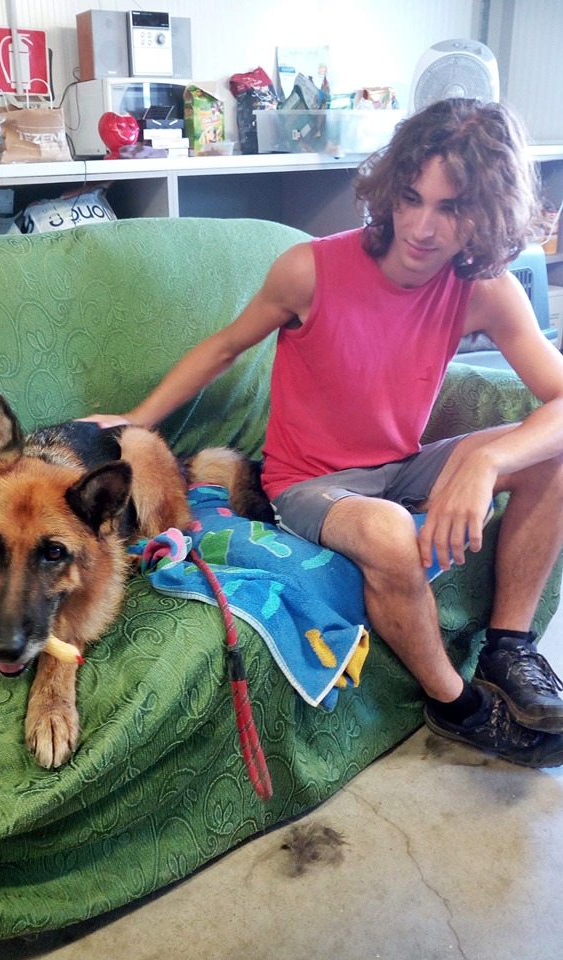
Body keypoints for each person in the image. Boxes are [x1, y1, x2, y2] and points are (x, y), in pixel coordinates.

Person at [83, 98, 563, 767]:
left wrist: (485, 463)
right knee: (389, 532)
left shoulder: (484, 289)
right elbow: (225, 347)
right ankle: (458, 707)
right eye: (411, 198)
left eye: (451, 208)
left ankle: (508, 649)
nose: (422, 227)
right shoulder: (308, 270)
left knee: (549, 456)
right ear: (390, 190)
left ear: (485, 213)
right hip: (308, 484)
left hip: (400, 466)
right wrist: (137, 419)